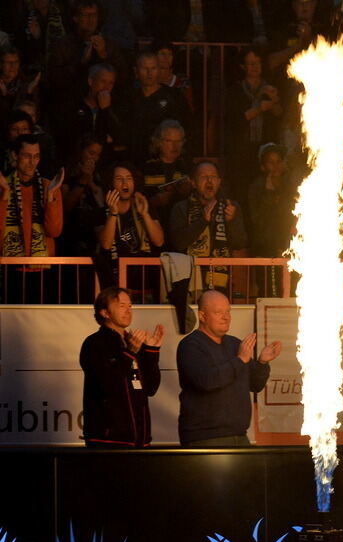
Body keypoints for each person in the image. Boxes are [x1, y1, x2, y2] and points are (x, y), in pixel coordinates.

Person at [176, 289, 281, 447]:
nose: (226, 317)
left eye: (228, 312)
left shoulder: (234, 344)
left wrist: (262, 363)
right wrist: (240, 360)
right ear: (202, 316)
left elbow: (255, 385)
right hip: (204, 438)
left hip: (239, 435)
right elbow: (206, 381)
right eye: (219, 312)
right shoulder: (190, 345)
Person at [80, 287, 164, 448]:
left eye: (130, 306)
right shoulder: (94, 343)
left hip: (139, 440)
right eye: (121, 306)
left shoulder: (131, 342)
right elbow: (106, 385)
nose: (128, 311)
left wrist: (152, 351)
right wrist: (129, 353)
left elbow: (151, 388)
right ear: (105, 312)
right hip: (109, 441)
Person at [0, 134, 64, 303]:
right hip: (9, 269)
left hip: (43, 269)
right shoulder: (3, 186)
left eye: (36, 156)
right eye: (27, 156)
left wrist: (50, 196)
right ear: (15, 155)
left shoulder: (47, 186)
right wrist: (5, 196)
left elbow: (54, 231)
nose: (32, 162)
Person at [170, 161, 248, 291]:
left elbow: (240, 243)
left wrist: (231, 222)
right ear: (193, 182)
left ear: (219, 181)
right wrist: (203, 221)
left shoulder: (230, 207)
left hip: (220, 280)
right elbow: (179, 243)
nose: (209, 181)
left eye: (213, 177)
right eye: (203, 177)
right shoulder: (181, 208)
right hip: (189, 279)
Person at [224, 46, 281, 204]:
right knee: (241, 194)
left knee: (265, 193)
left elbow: (279, 114)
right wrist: (258, 109)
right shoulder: (235, 90)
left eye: (257, 63)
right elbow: (234, 120)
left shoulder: (269, 87)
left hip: (264, 149)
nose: (255, 67)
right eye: (250, 63)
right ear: (243, 67)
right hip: (241, 151)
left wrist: (274, 100)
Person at [97, 162, 165, 290]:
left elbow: (159, 241)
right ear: (110, 183)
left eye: (129, 178)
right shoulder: (101, 212)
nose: (125, 183)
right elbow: (106, 244)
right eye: (119, 179)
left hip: (146, 279)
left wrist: (144, 214)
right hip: (114, 280)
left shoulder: (144, 207)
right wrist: (113, 213)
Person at [117, 51, 192, 164]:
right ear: (136, 71)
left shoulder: (174, 96)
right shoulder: (128, 97)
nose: (149, 73)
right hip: (135, 159)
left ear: (159, 70)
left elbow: (187, 126)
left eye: (153, 68)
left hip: (166, 160)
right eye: (145, 68)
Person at [141, 119, 193, 228]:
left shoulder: (187, 167)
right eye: (169, 141)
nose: (175, 146)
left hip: (181, 225)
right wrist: (154, 201)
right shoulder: (147, 168)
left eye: (178, 141)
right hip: (153, 224)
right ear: (159, 142)